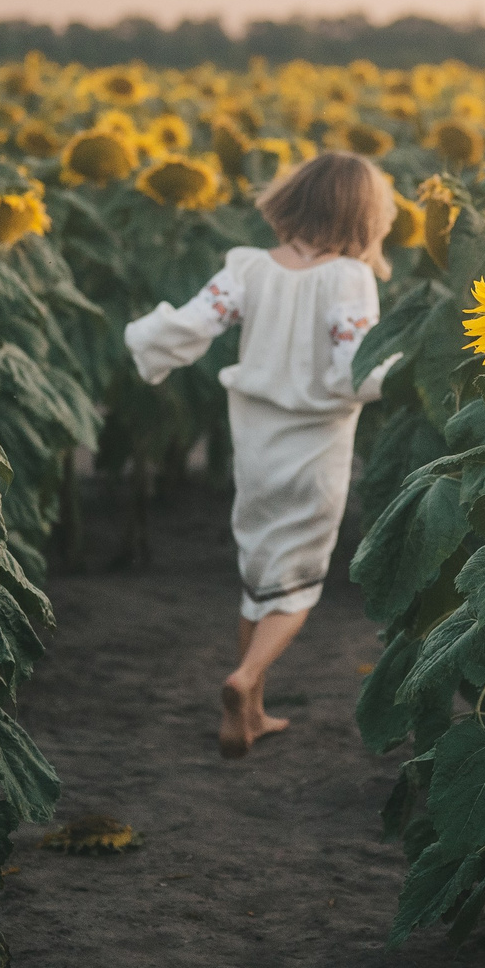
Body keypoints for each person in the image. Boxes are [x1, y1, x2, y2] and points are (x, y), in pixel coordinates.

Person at [125, 151, 402, 755]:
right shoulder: (349, 277)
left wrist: (145, 341)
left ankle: (248, 712)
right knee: (297, 584)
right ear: (366, 215)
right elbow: (353, 370)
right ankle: (245, 679)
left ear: (292, 199)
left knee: (259, 573)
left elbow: (194, 325)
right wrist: (406, 370)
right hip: (315, 447)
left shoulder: (247, 268)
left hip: (254, 445)